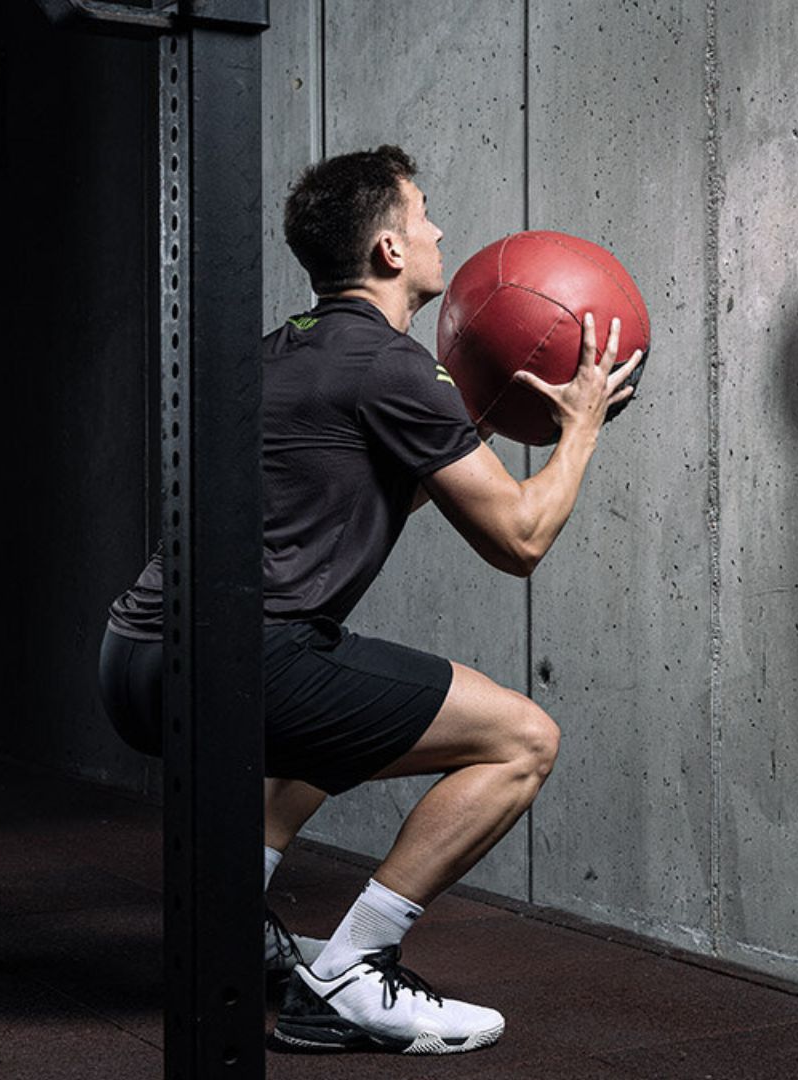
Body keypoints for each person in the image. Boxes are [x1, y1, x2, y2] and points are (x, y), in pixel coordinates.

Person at [97, 144, 641, 1055]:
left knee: (326, 743)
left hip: (137, 659)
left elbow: (377, 473)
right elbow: (519, 539)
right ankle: (351, 975)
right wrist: (579, 429)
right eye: (422, 213)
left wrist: (463, 419)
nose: (438, 231)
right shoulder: (393, 369)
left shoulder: (283, 351)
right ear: (389, 250)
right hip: (240, 661)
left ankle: (226, 929)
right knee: (521, 740)